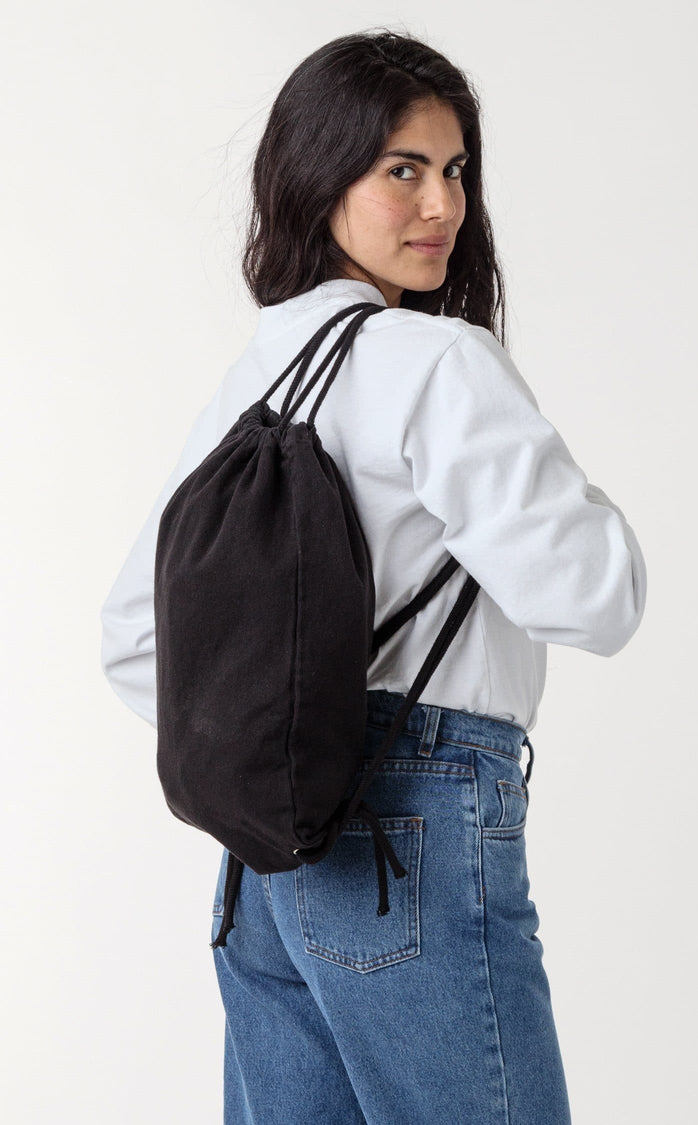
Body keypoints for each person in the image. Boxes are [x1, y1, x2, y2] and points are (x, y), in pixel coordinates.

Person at [100, 28, 647, 1125]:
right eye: (403, 170)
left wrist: (285, 736)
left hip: (263, 867)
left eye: (455, 170)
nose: (442, 205)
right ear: (321, 178)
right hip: (414, 829)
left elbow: (134, 640)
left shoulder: (257, 379)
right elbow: (598, 597)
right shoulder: (440, 362)